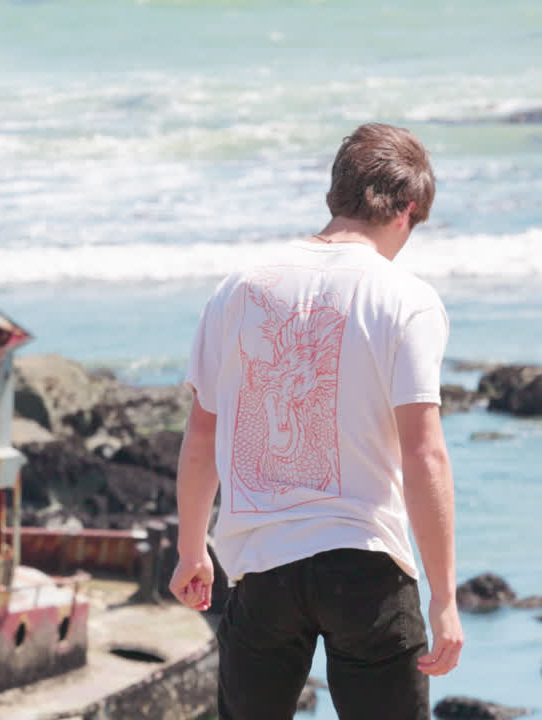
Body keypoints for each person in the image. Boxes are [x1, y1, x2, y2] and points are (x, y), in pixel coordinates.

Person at [168, 122, 463, 720]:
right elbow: (424, 453)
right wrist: (444, 597)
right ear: (408, 209)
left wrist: (192, 548)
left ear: (338, 192)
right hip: (365, 566)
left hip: (261, 569)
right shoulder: (405, 298)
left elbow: (201, 434)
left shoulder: (238, 289)